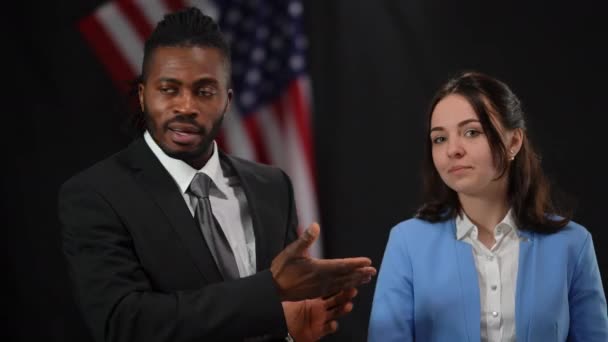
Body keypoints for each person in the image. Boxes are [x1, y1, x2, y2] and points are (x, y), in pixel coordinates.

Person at [58, 7, 376, 342]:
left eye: (204, 91)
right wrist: (270, 289)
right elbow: (124, 323)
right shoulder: (96, 195)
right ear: (142, 95)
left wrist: (289, 332)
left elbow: (267, 318)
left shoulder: (272, 187)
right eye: (168, 89)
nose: (185, 106)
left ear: (227, 101)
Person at [368, 71, 607, 341]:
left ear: (513, 142)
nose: (452, 150)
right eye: (440, 138)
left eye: (471, 132)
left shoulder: (572, 245)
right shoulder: (407, 242)